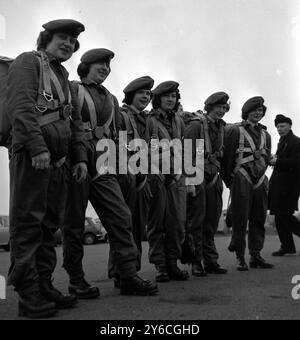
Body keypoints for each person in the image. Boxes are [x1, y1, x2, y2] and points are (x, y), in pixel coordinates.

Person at [7, 19, 87, 318]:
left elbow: (73, 121)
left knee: (47, 226)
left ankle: (43, 284)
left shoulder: (62, 75)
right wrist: (38, 147)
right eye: (62, 38)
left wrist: (78, 157)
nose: (68, 44)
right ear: (46, 39)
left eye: (72, 41)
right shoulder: (28, 62)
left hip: (59, 163)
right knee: (28, 225)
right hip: (33, 156)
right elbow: (20, 106)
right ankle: (28, 294)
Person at [63, 49, 158, 297]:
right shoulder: (72, 89)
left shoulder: (112, 99)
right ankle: (76, 280)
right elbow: (67, 126)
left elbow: (117, 136)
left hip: (106, 164)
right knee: (74, 224)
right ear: (85, 66)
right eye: (99, 64)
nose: (105, 68)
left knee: (121, 217)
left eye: (107, 65)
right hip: (76, 163)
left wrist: (124, 168)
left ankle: (127, 275)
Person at [221, 96, 274, 271]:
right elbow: (227, 159)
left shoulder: (266, 134)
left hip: (259, 179)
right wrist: (231, 181)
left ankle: (255, 255)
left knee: (259, 218)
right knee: (239, 218)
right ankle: (240, 257)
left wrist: (260, 177)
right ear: (247, 112)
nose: (258, 113)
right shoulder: (235, 130)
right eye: (255, 110)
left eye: (260, 111)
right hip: (241, 176)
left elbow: (266, 157)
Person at [145, 81, 189, 282]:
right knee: (157, 223)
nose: (171, 99)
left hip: (177, 177)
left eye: (174, 96)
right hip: (157, 177)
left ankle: (172, 263)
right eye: (167, 96)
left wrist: (184, 174)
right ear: (158, 99)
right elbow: (144, 150)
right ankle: (160, 266)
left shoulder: (179, 121)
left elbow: (183, 147)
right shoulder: (149, 120)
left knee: (177, 222)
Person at [184, 92, 229, 276]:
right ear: (209, 107)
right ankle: (196, 262)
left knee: (211, 221)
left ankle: (211, 260)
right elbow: (187, 153)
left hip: (214, 177)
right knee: (196, 222)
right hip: (197, 175)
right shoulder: (196, 125)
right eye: (218, 107)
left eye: (224, 107)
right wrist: (189, 181)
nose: (221, 111)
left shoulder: (221, 128)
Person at [115, 76, 154, 277]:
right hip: (126, 177)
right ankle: (122, 272)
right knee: (124, 227)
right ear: (131, 95)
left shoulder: (144, 119)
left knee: (137, 227)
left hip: (142, 178)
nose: (146, 97)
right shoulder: (121, 116)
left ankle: (132, 271)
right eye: (141, 93)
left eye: (148, 94)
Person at [269, 114, 300, 256]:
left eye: (282, 126)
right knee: (279, 216)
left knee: (285, 216)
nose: (279, 129)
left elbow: (297, 162)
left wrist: (278, 161)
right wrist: (274, 159)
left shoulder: (296, 141)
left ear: (289, 126)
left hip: (289, 186)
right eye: (277, 127)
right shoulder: (283, 141)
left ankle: (287, 246)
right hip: (279, 186)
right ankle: (287, 246)